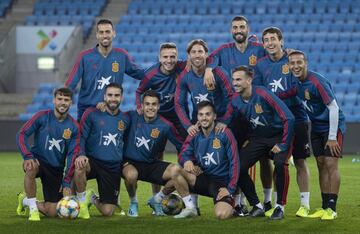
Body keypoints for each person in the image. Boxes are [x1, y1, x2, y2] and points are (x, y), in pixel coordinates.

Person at [203, 16, 269, 214]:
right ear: (231, 30)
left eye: (242, 27)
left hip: (255, 111)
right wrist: (208, 68)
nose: (238, 30)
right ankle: (239, 203)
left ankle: (266, 201)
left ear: (248, 29)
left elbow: (276, 54)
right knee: (234, 159)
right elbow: (210, 58)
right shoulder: (224, 50)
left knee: (264, 159)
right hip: (232, 113)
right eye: (235, 27)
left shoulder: (258, 49)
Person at [254, 27, 311, 217]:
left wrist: (274, 98)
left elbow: (297, 86)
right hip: (276, 123)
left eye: (273, 39)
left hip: (298, 118)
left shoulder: (291, 60)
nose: (270, 43)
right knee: (279, 162)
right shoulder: (261, 65)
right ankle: (277, 204)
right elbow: (259, 90)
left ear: (281, 41)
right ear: (263, 44)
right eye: (266, 40)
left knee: (301, 162)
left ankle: (305, 204)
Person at [288, 50, 345, 220]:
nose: (296, 66)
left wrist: (332, 137)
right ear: (289, 65)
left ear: (306, 63)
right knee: (320, 164)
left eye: (299, 62)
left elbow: (333, 108)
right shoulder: (294, 82)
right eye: (292, 63)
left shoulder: (316, 81)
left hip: (332, 127)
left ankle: (332, 209)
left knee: (330, 163)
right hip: (316, 127)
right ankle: (324, 205)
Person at [232, 65, 294, 220]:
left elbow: (289, 118)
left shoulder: (263, 93)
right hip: (257, 138)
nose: (235, 83)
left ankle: (280, 207)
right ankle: (257, 206)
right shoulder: (234, 100)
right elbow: (233, 122)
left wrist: (284, 144)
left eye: (238, 79)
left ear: (249, 80)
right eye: (233, 80)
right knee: (237, 166)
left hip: (278, 137)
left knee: (280, 164)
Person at [122, 90, 197, 218]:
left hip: (151, 164)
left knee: (177, 171)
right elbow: (112, 120)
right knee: (131, 175)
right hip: (131, 163)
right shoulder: (131, 116)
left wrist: (190, 161)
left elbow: (182, 145)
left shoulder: (166, 125)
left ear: (158, 106)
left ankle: (159, 199)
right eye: (147, 104)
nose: (150, 107)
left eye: (153, 104)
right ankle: (133, 202)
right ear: (142, 105)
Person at [16, 88, 80, 221]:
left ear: (71, 102)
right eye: (60, 99)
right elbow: (21, 134)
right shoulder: (42, 116)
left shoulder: (73, 127)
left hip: (56, 169)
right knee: (31, 167)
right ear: (54, 100)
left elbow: (72, 156)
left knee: (52, 212)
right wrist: (28, 156)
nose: (63, 102)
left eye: (66, 100)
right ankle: (33, 210)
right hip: (37, 161)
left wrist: (67, 181)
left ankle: (25, 201)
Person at [135, 42, 188, 199]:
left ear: (177, 57)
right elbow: (139, 91)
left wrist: (209, 70)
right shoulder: (150, 74)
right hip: (160, 118)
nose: (169, 60)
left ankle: (187, 195)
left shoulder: (181, 66)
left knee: (186, 152)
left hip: (179, 116)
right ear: (159, 58)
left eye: (172, 57)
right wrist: (139, 106)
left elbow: (204, 59)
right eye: (165, 57)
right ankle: (156, 196)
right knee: (157, 156)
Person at [65, 19, 144, 121]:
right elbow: (70, 85)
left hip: (111, 111)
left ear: (114, 33)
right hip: (87, 113)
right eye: (101, 32)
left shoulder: (121, 55)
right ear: (97, 35)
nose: (105, 35)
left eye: (107, 32)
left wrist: (161, 71)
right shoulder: (84, 57)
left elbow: (141, 74)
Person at [73, 83, 130, 218]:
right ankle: (81, 205)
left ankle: (91, 197)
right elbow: (81, 137)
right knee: (79, 166)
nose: (113, 98)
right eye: (110, 95)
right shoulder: (91, 114)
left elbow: (127, 142)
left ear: (121, 97)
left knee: (108, 211)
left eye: (116, 95)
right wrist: (81, 155)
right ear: (104, 96)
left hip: (112, 167)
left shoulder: (126, 118)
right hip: (92, 161)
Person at [176, 101, 239, 220]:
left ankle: (233, 206)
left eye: (207, 114)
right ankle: (191, 207)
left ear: (214, 116)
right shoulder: (194, 133)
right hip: (202, 177)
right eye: (201, 114)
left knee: (222, 215)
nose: (204, 118)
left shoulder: (225, 133)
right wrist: (187, 161)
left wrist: (230, 189)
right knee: (175, 171)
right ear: (197, 117)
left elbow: (234, 162)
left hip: (221, 183)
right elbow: (183, 154)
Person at [175, 39, 233, 137]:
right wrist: (188, 126)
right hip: (199, 123)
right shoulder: (184, 77)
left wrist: (225, 121)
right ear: (188, 56)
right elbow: (179, 103)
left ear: (206, 54)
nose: (197, 55)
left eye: (200, 51)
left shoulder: (219, 73)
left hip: (221, 123)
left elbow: (231, 97)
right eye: (193, 52)